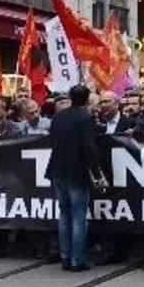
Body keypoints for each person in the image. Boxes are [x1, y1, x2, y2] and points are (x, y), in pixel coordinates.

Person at [46, 85, 101, 272]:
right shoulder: (86, 118)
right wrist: (97, 173)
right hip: (77, 171)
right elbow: (89, 147)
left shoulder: (58, 116)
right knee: (78, 215)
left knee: (64, 213)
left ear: (70, 97)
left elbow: (52, 140)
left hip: (57, 169)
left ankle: (65, 256)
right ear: (86, 99)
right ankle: (77, 259)